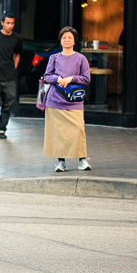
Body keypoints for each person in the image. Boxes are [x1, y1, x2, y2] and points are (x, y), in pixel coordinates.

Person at [42, 27, 92, 172]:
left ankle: (82, 160)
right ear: (61, 40)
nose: (67, 40)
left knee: (78, 130)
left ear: (74, 41)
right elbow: (47, 76)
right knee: (58, 134)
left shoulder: (81, 58)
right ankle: (61, 162)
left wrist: (71, 79)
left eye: (69, 37)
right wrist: (58, 79)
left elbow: (86, 78)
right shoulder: (54, 57)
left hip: (74, 102)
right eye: (64, 37)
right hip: (54, 102)